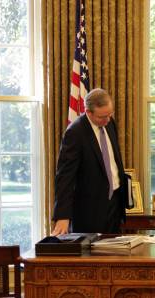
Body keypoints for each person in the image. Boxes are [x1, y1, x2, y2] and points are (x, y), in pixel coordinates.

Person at [51, 88, 127, 235]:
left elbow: (113, 161)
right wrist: (62, 216)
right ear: (88, 112)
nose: (107, 120)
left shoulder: (110, 123)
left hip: (115, 203)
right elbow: (65, 176)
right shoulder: (75, 132)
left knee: (115, 254)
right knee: (92, 255)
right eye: (102, 117)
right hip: (89, 209)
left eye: (110, 114)